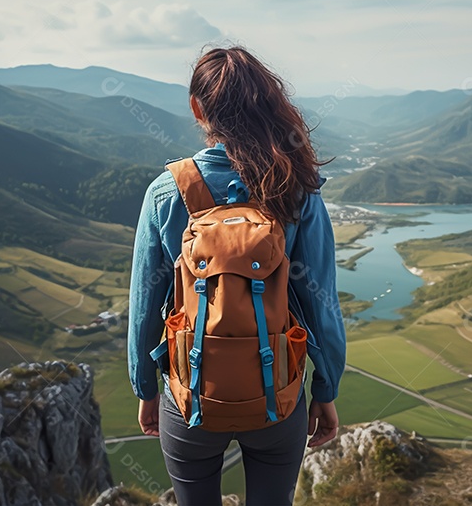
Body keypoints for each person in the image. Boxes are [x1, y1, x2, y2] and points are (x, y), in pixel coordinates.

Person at [127, 46, 346, 505]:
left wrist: (146, 387)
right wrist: (324, 388)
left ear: (196, 108)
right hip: (277, 398)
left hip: (189, 400)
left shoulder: (167, 191)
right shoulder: (294, 186)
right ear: (267, 104)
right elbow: (320, 302)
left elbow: (145, 304)